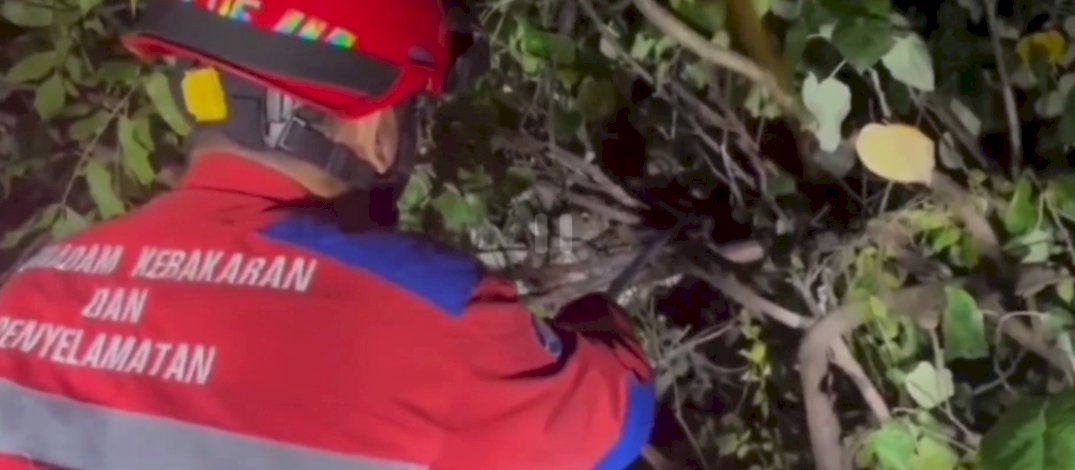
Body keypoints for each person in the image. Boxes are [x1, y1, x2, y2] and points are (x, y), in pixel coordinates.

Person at [0, 0, 656, 468]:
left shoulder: (31, 290)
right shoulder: (425, 321)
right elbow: (613, 422)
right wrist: (603, 320)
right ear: (373, 130)